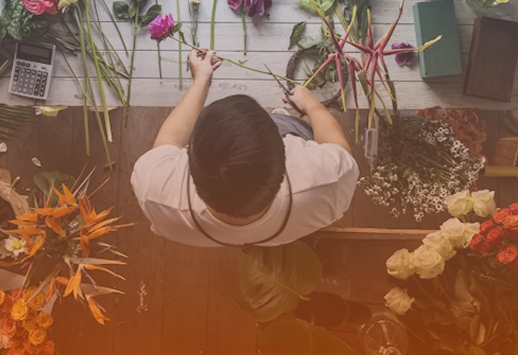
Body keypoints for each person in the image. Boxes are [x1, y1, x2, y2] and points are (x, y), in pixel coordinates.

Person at [131, 50, 359, 247]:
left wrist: (201, 80)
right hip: (286, 225)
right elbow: (338, 148)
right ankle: (282, 121)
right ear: (284, 154)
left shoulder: (155, 194)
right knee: (290, 124)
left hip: (218, 233)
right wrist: (312, 106)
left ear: (190, 161)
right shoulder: (327, 182)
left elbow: (168, 141)